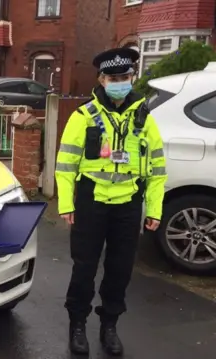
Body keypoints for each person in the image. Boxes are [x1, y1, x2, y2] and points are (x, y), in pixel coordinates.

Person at [55, 47, 167, 356]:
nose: (120, 82)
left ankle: (109, 325)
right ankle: (77, 323)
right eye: (113, 77)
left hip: (128, 204)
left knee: (120, 269)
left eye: (125, 77)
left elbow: (157, 169)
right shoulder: (83, 117)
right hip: (91, 203)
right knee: (84, 268)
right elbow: (65, 165)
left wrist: (154, 208)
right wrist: (67, 204)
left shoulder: (145, 119)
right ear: (102, 80)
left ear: (133, 78)